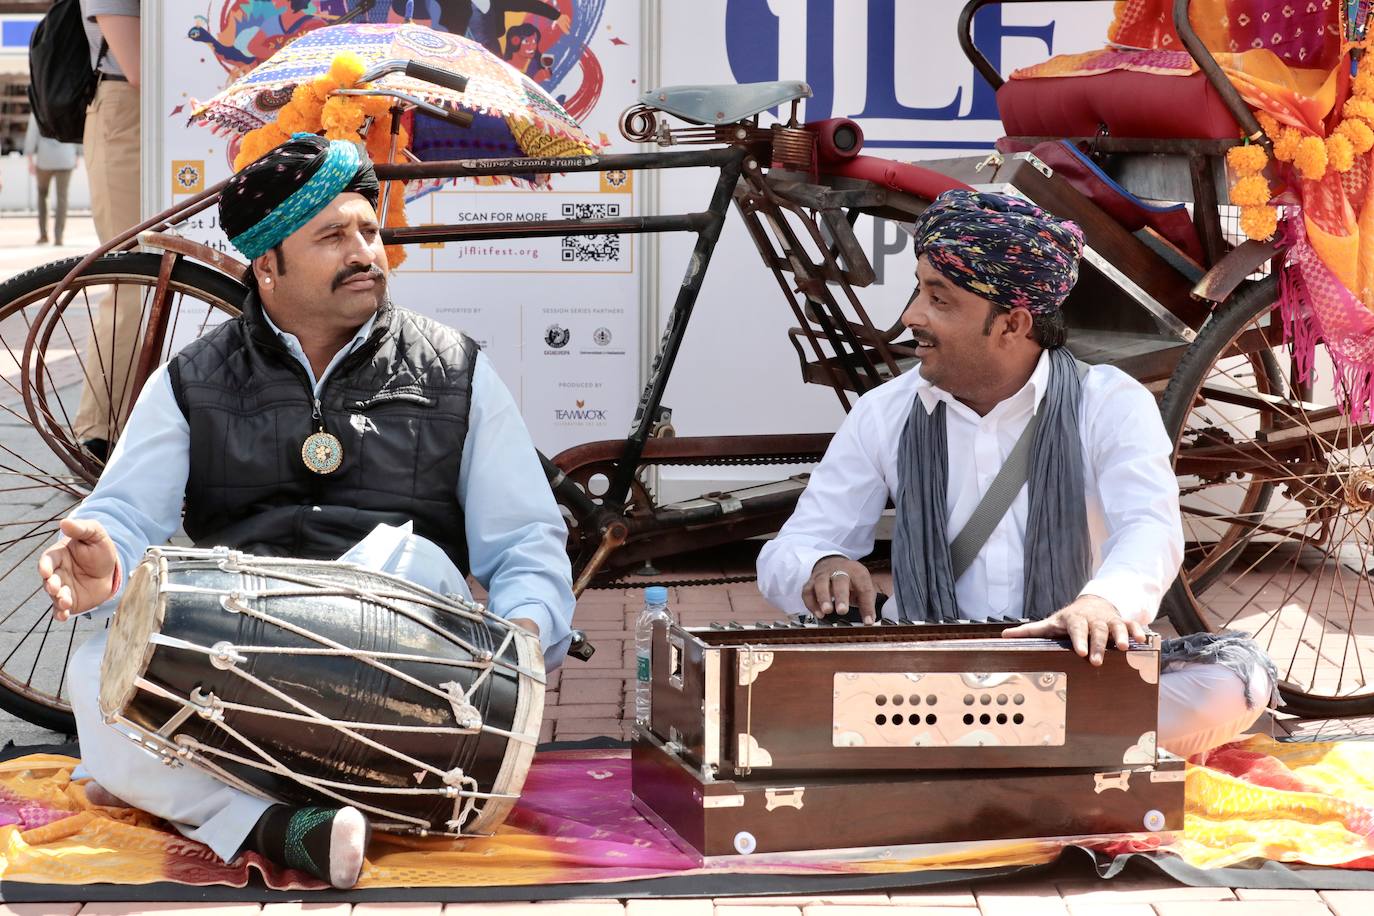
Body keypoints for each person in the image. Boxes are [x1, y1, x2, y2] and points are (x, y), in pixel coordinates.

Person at [38, 134, 577, 889]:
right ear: (268, 265)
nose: (365, 252)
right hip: (242, 660)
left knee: (414, 559)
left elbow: (524, 539)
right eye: (332, 237)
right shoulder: (194, 380)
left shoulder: (454, 370)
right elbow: (124, 510)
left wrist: (526, 631)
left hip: (400, 682)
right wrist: (106, 562)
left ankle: (190, 796)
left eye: (368, 229)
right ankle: (279, 827)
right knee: (101, 663)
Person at [757, 189, 1277, 761]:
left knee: (1230, 686)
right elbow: (792, 549)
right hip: (923, 687)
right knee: (785, 695)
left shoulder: (1108, 403)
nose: (912, 316)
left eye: (940, 299)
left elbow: (1150, 530)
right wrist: (822, 566)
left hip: (1071, 675)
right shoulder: (885, 412)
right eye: (918, 290)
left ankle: (975, 752)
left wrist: (1104, 603)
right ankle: (1044, 750)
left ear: (1013, 323)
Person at [73, 0, 141, 463]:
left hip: (162, 110)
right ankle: (102, 436)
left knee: (166, 275)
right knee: (132, 276)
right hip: (128, 106)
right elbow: (136, 63)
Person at [22, 114, 79, 246]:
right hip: (66, 156)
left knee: (42, 195)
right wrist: (78, 153)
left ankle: (43, 235)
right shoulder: (69, 101)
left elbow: (32, 132)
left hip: (45, 159)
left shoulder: (38, 101)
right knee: (62, 198)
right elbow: (77, 126)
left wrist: (30, 158)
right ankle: (59, 237)